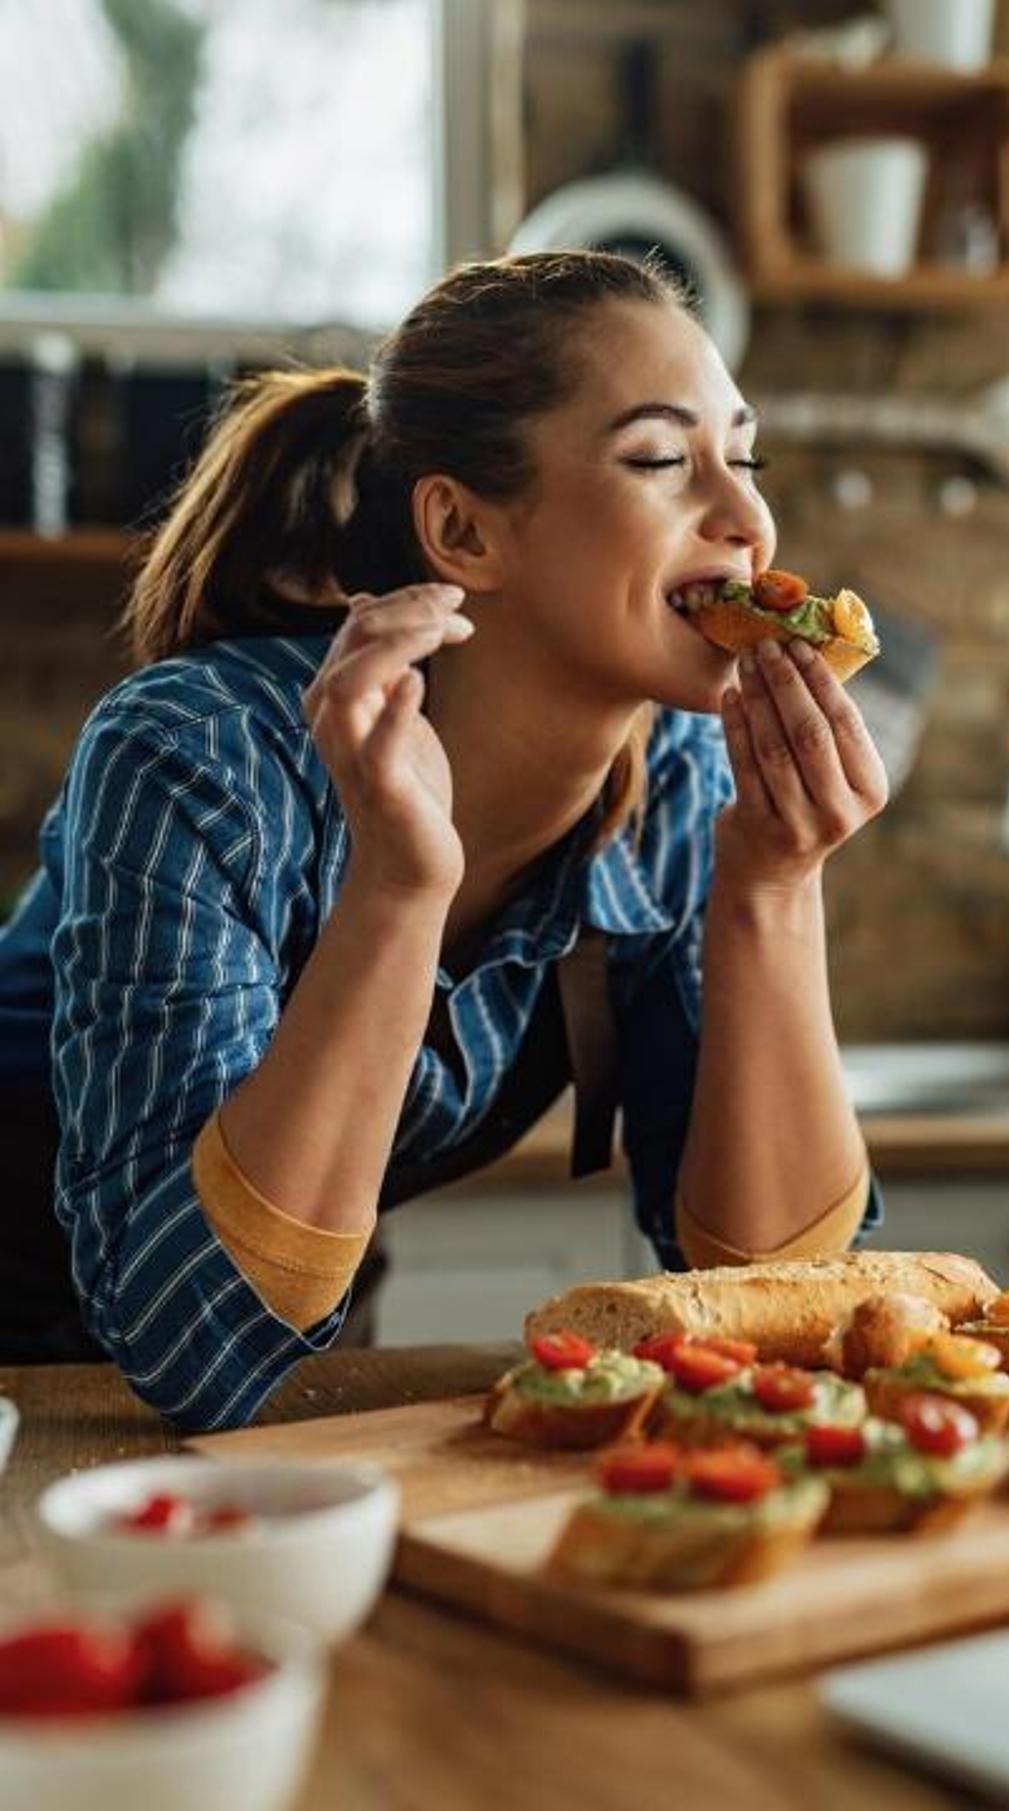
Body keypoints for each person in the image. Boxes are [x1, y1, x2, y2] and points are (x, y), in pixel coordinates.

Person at [0, 251, 887, 1429]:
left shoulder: (677, 787)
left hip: (286, 1347)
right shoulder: (199, 754)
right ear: (464, 530)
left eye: (746, 454)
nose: (746, 518)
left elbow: (787, 1308)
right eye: (665, 460)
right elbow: (189, 1340)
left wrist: (774, 890)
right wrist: (401, 887)